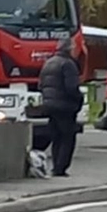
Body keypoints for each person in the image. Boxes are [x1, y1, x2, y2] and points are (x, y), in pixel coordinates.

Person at [40, 36, 84, 177]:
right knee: (67, 137)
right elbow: (72, 87)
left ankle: (55, 166)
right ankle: (61, 167)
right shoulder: (68, 64)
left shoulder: (49, 63)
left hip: (50, 104)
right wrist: (79, 99)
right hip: (65, 106)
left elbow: (41, 84)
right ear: (69, 49)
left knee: (56, 137)